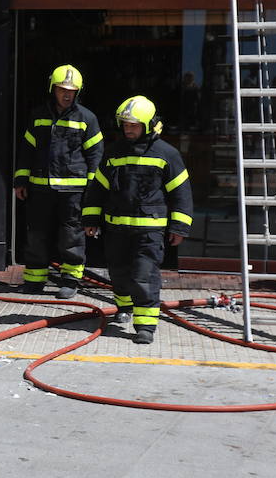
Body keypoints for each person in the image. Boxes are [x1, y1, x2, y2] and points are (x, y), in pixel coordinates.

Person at [81, 95, 193, 344]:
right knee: (118, 273)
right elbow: (98, 189)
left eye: (134, 125)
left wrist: (179, 227)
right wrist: (90, 219)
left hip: (149, 231)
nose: (128, 130)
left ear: (149, 125)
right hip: (116, 229)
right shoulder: (113, 153)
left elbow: (181, 193)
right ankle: (124, 307)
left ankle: (145, 325)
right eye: (125, 125)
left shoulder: (167, 154)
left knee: (144, 276)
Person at [14, 64, 103, 298]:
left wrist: (92, 191)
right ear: (52, 88)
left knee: (71, 236)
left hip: (73, 191)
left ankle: (71, 281)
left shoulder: (87, 119)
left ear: (78, 92)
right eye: (62, 89)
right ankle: (34, 280)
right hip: (40, 187)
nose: (66, 95)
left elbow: (96, 157)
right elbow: (27, 150)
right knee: (36, 234)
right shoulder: (38, 116)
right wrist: (21, 179)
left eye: (71, 91)